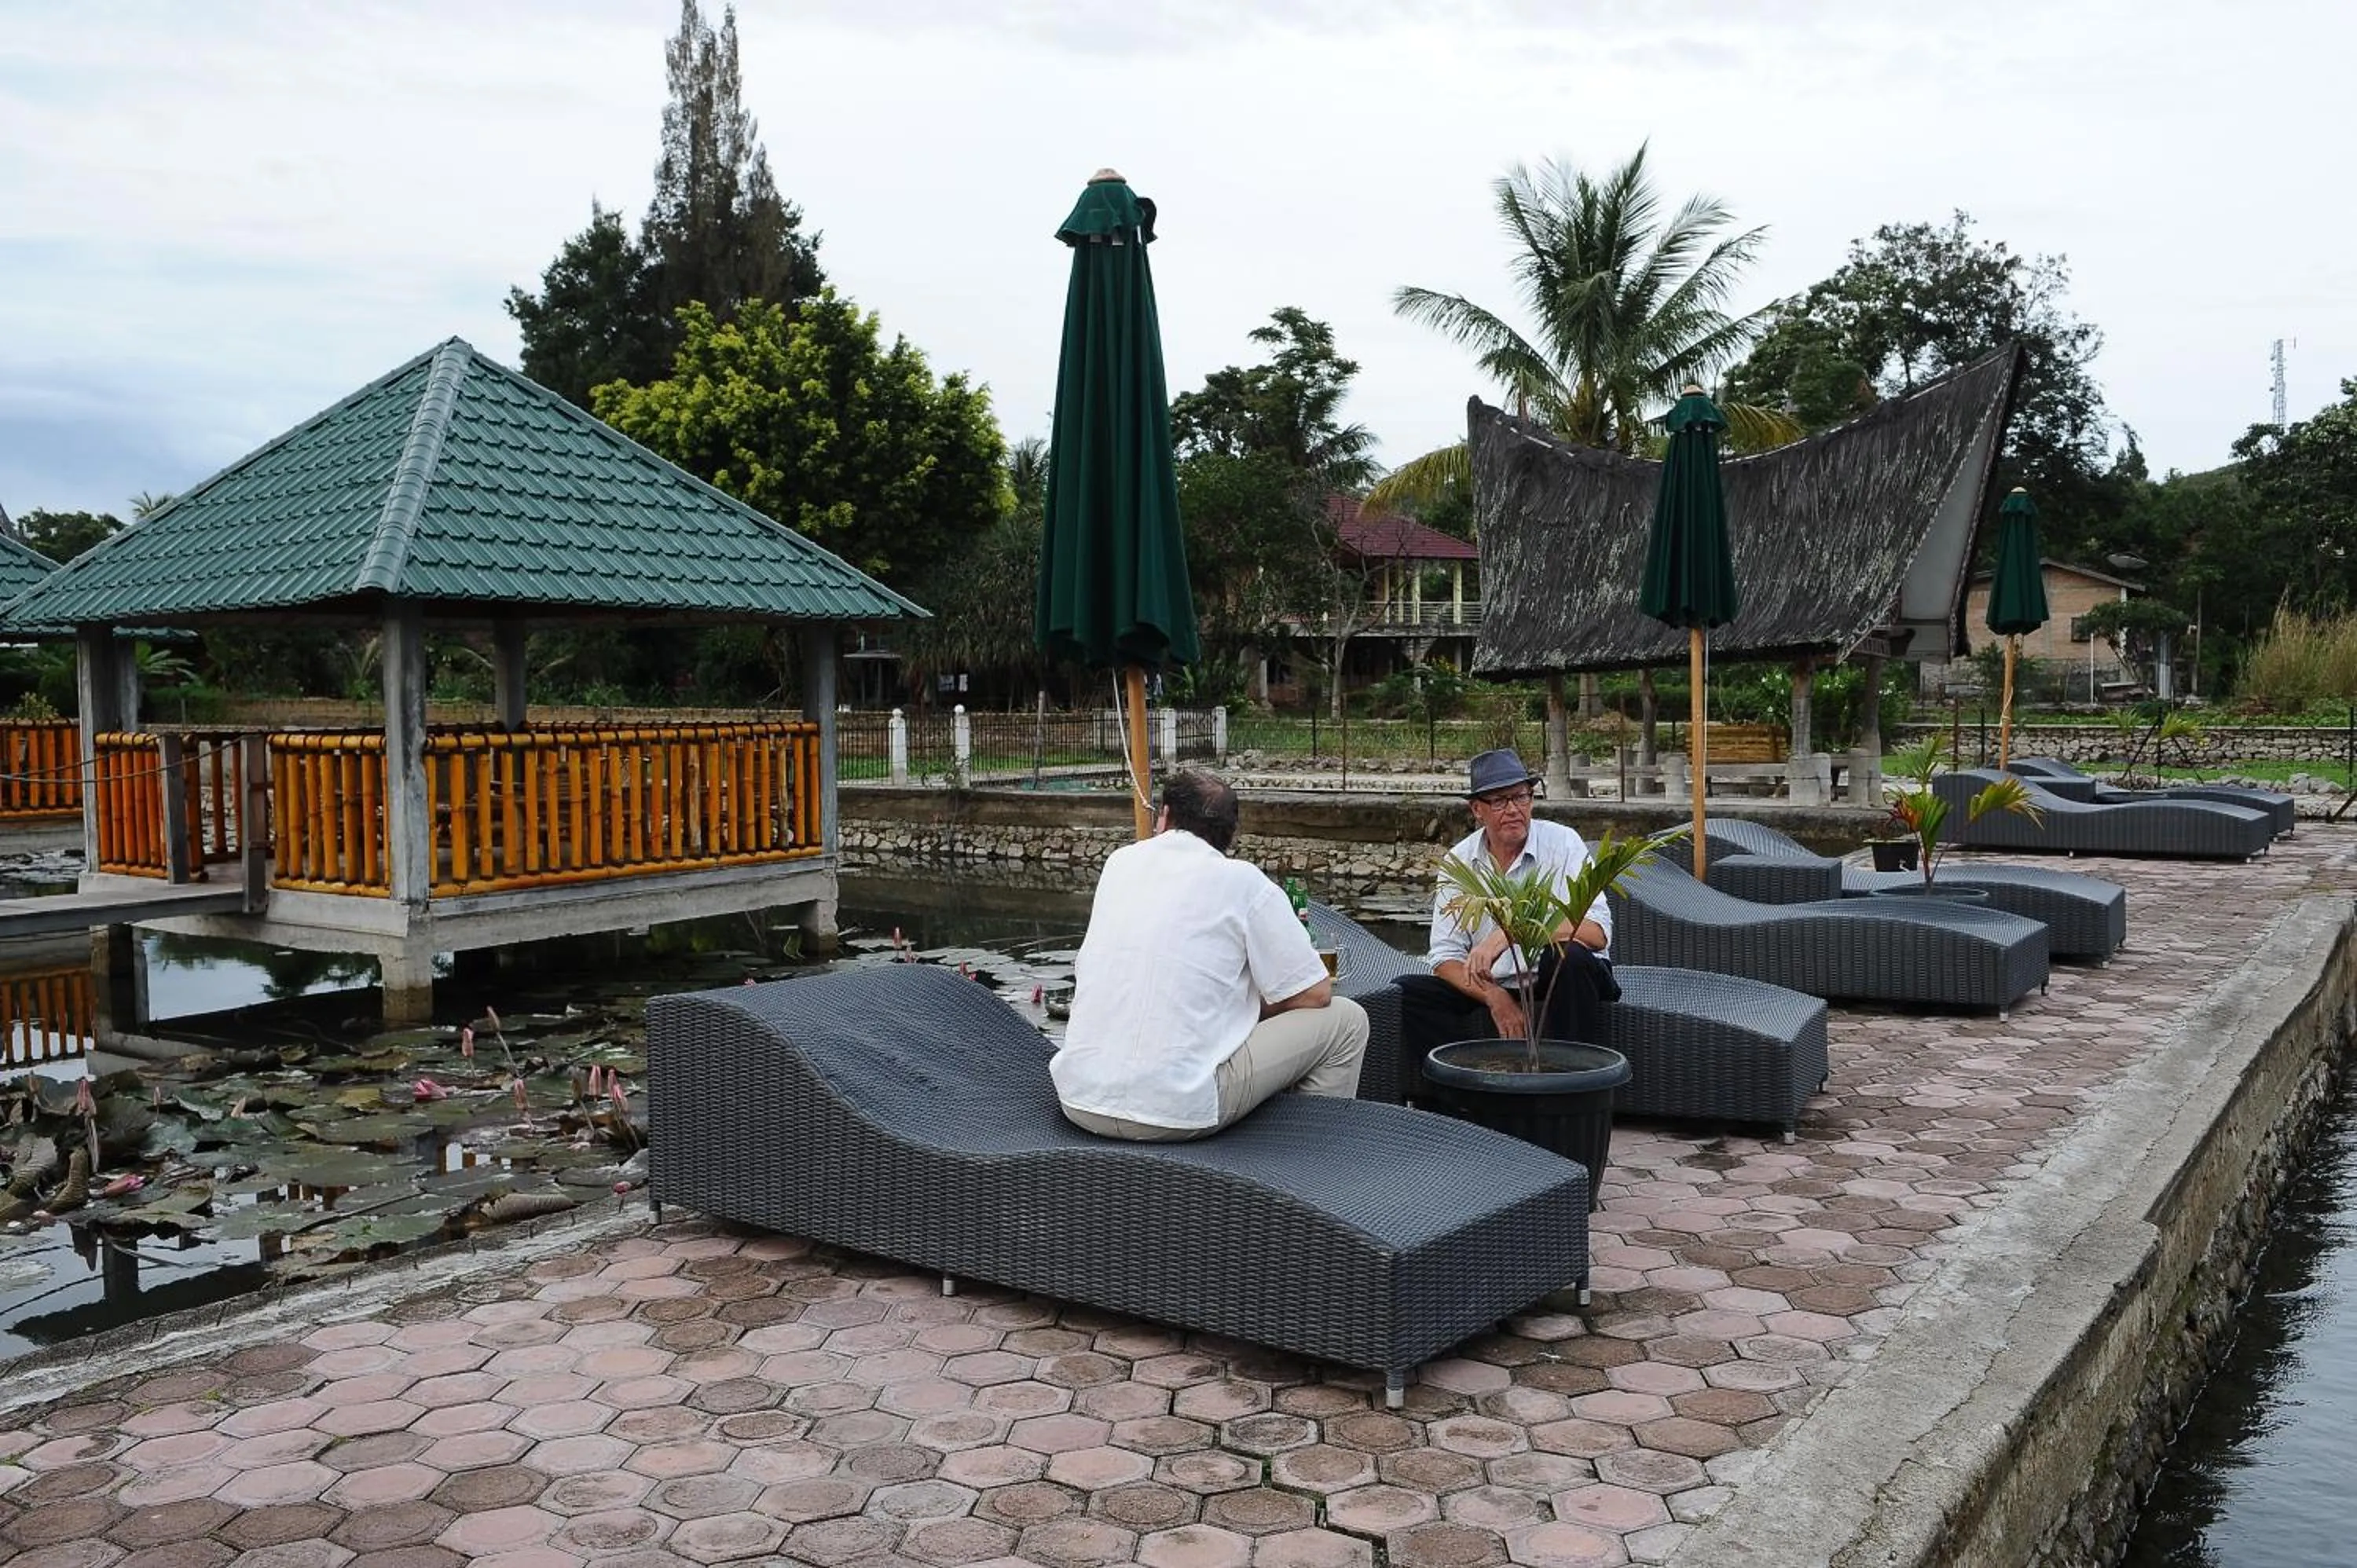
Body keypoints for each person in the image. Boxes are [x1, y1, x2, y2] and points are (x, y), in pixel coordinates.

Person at [1051, 769, 1368, 1141]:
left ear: (1163, 816)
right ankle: (1306, 1162)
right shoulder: (1244, 882)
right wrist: (1252, 1009)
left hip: (1080, 1097)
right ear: (1231, 834)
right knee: (1347, 1020)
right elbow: (1315, 993)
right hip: (1176, 1111)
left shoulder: (1119, 863)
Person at [1395, 749, 1621, 1058]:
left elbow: (1596, 934)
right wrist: (1493, 996)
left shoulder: (1563, 842)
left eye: (1522, 797)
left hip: (1559, 977)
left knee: (1570, 958)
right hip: (1500, 981)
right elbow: (1445, 957)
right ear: (1477, 810)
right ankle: (1463, 1096)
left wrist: (1510, 934)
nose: (1514, 809)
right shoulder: (1460, 862)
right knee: (1406, 992)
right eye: (1500, 801)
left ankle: (1569, 1084)